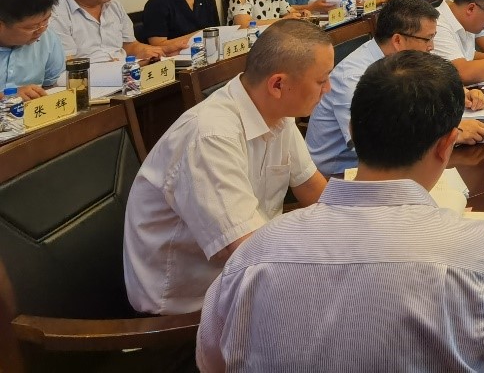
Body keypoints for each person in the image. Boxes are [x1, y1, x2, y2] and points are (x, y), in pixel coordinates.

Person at [197, 51, 484, 373]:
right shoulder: (478, 253)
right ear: (446, 145)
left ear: (353, 131)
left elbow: (211, 362)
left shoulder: (256, 253)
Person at [123, 20, 333, 314]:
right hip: (190, 306)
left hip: (246, 274)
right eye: (322, 80)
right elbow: (248, 251)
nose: (328, 89)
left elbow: (312, 188)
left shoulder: (277, 112)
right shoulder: (210, 136)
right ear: (277, 84)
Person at [306, 0, 484, 176]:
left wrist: (457, 94)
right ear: (398, 41)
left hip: (394, 162)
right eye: (427, 39)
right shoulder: (353, 77)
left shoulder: (399, 60)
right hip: (341, 174)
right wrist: (452, 134)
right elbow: (371, 145)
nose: (431, 47)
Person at [0, 0, 65, 100]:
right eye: (32, 27)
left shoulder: (48, 38)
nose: (41, 30)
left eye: (46, 20)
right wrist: (7, 96)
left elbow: (51, 84)